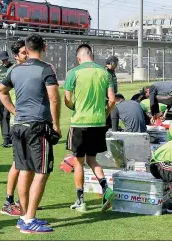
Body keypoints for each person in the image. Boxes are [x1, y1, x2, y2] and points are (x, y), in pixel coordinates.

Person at [0, 33, 61, 233]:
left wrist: (15, 111)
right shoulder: (46, 68)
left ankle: (24, 217)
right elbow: (54, 99)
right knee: (42, 172)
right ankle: (29, 219)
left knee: (25, 170)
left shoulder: (15, 69)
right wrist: (57, 126)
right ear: (45, 47)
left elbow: (1, 91)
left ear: (26, 47)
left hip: (19, 126)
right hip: (37, 127)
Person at [63, 44, 116, 214]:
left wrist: (75, 108)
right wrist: (105, 113)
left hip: (80, 123)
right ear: (91, 56)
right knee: (92, 160)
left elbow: (67, 100)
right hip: (98, 122)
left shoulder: (73, 73)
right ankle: (106, 189)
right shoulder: (104, 73)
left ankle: (80, 201)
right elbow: (112, 100)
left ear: (79, 58)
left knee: (78, 162)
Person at [0, 39, 27, 217]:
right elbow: (2, 92)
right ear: (16, 56)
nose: (27, 54)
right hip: (20, 123)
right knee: (18, 164)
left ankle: (22, 201)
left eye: (28, 51)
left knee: (27, 165)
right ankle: (8, 202)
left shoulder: (29, 68)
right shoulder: (14, 70)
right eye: (24, 53)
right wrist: (14, 111)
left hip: (29, 123)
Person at [0, 51, 14, 147]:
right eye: (3, 60)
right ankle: (5, 137)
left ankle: (7, 138)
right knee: (1, 115)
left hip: (8, 94)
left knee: (6, 115)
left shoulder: (13, 67)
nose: (5, 61)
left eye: (6, 59)